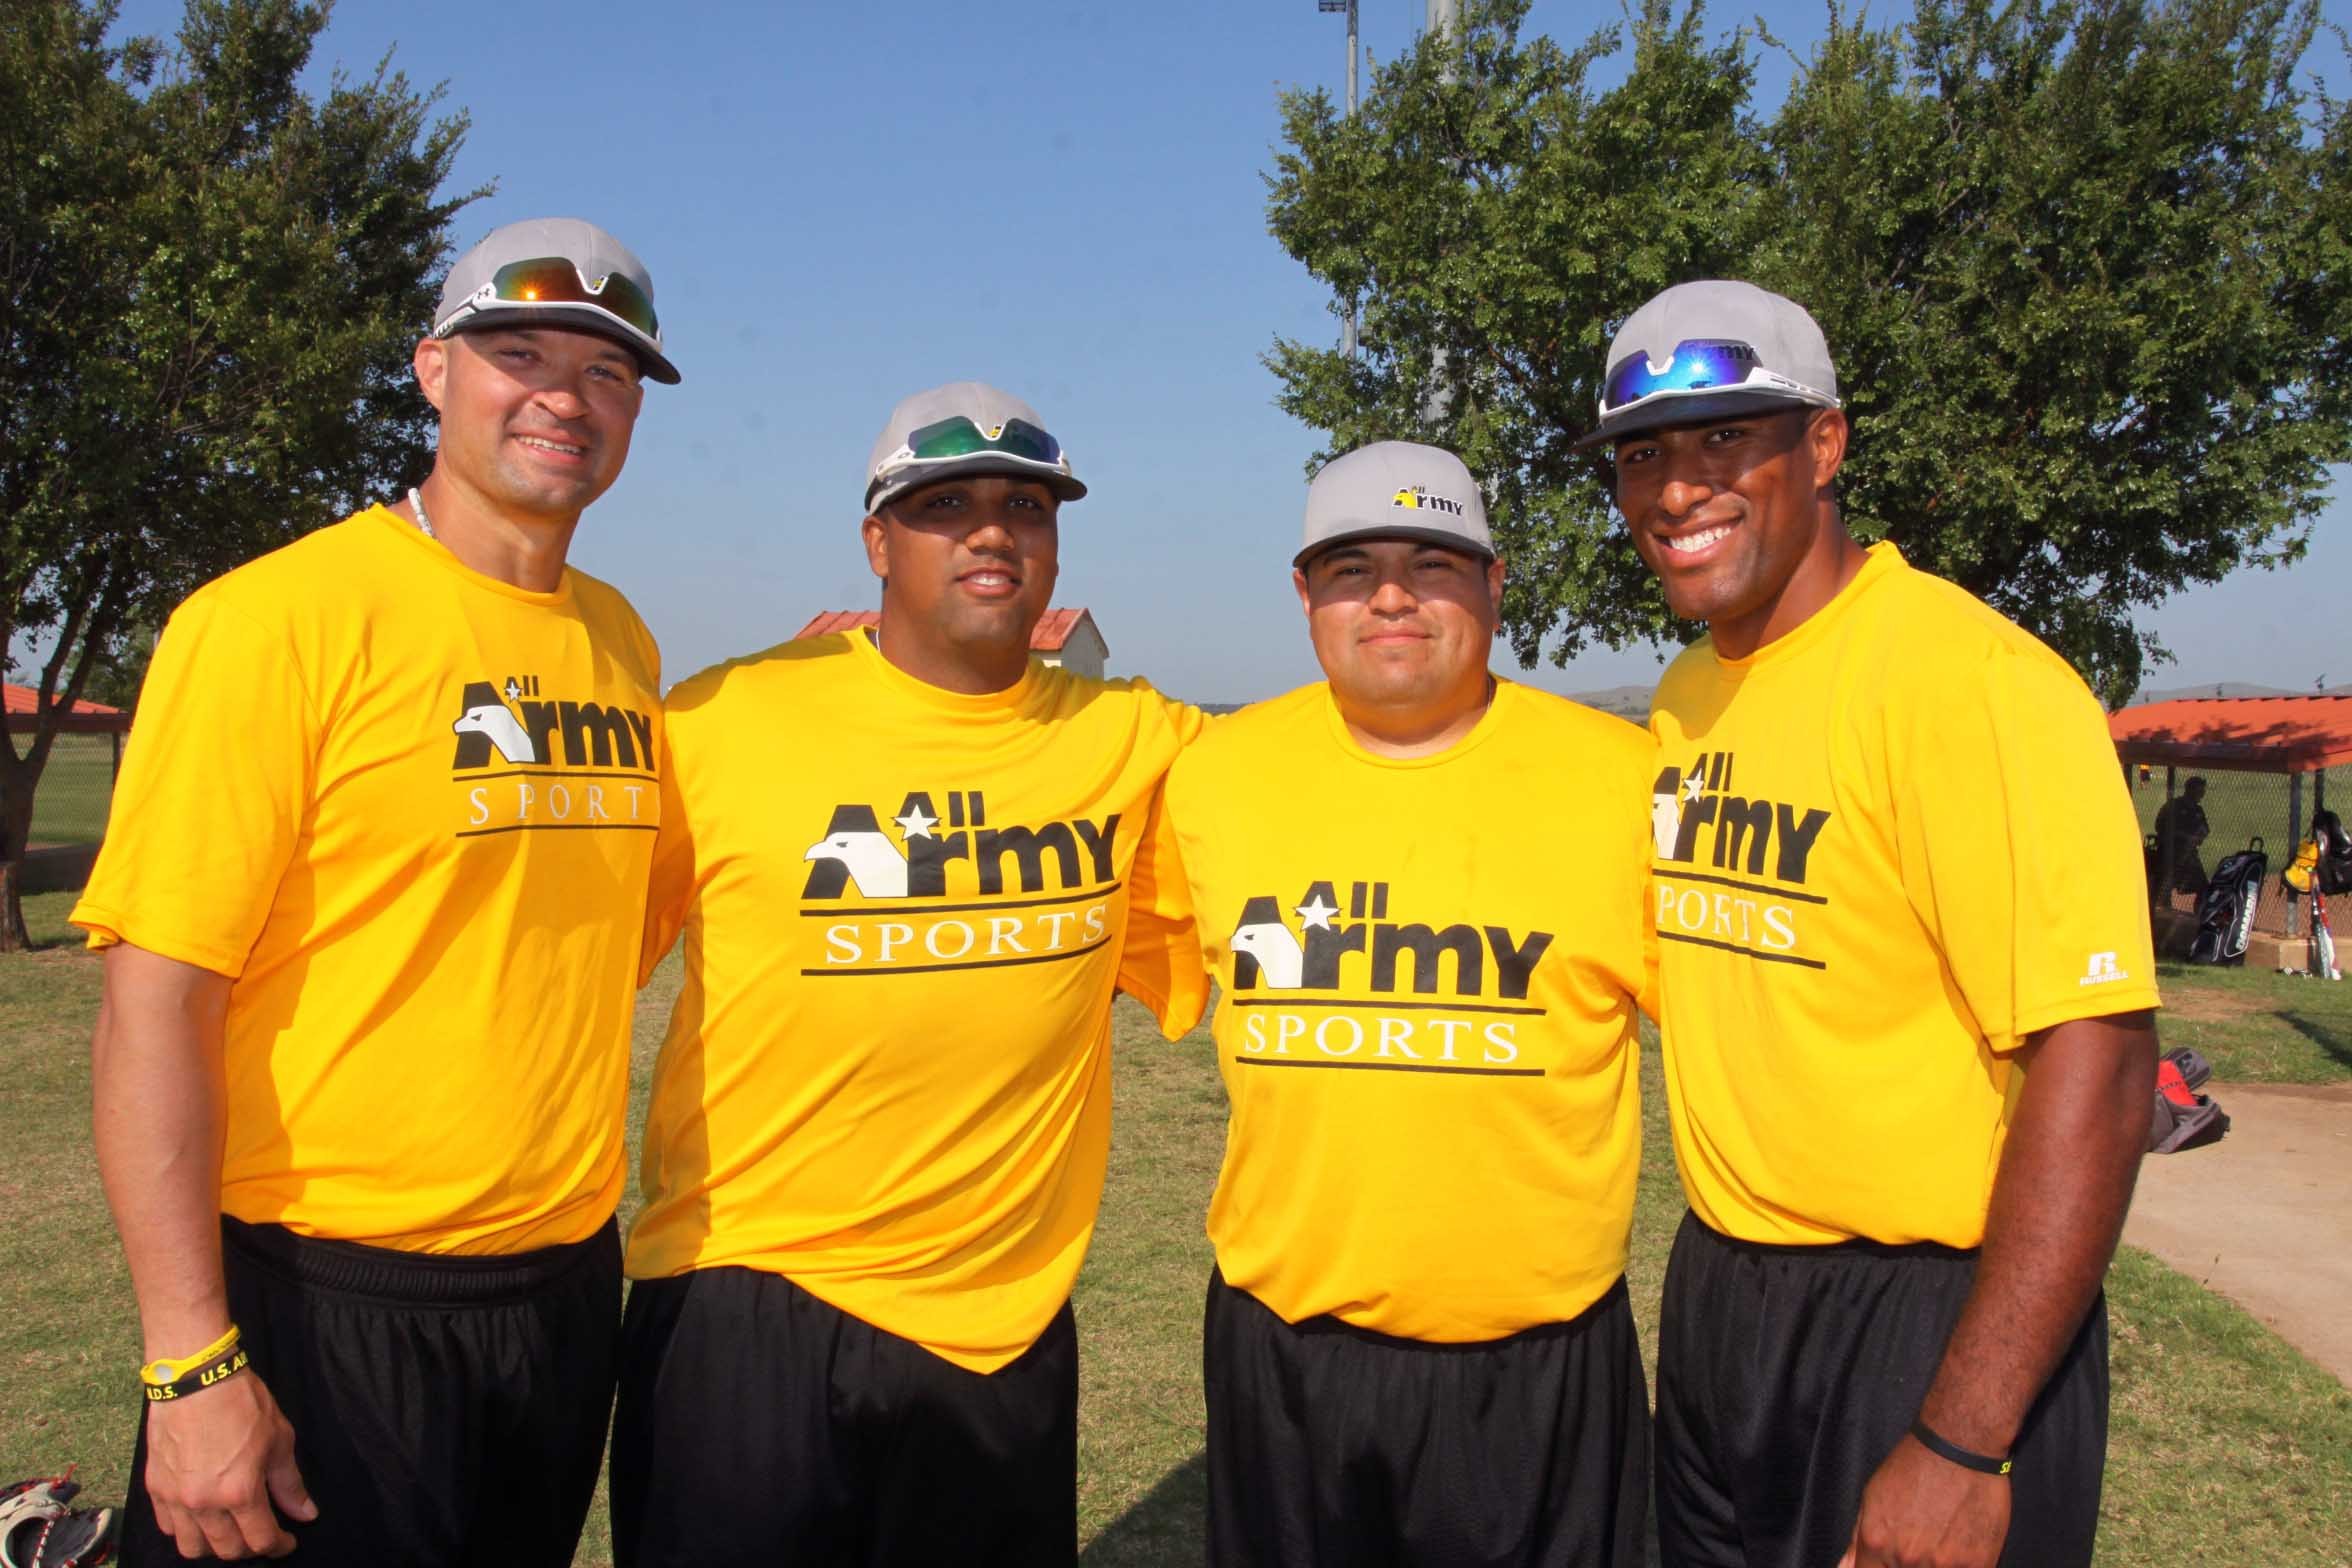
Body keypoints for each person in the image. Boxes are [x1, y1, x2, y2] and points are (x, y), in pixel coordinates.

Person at [76, 216, 678, 1566]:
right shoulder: (272, 622)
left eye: (607, 373)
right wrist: (188, 1363)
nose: (562, 398)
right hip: (324, 1297)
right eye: (517, 353)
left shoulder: (621, 640)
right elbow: (155, 1005)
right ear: (432, 370)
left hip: (562, 1290)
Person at [1589, 279, 2161, 1568]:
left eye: (1726, 437)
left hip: (1926, 1313)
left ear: (1827, 445)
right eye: (1643, 455)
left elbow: (2103, 1062)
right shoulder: (1688, 692)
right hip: (1727, 1291)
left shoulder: (1971, 681)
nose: (1677, 488)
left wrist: (1963, 1439)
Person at [609, 382, 1202, 1567]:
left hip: (998, 1322)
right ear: (877, 539)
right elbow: (562, 952)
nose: (992, 530)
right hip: (748, 1295)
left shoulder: (1141, 740)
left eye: (1024, 504)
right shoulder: (721, 719)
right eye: (944, 504)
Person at [1154, 441, 1656, 1566]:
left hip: (1539, 1358)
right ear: (1304, 593)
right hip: (1285, 1349)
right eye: (1350, 567)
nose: (1390, 593)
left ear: (1495, 581)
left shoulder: (1626, 780)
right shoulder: (1213, 776)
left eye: (1432, 560)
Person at [2151, 776, 2211, 894]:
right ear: (2190, 790)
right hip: (2170, 851)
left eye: (2203, 791)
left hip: (2189, 852)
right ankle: (2159, 903)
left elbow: (2205, 828)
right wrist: (2186, 836)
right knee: (2161, 884)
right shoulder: (2174, 805)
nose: (2202, 794)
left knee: (2203, 886)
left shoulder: (2198, 809)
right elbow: (2160, 826)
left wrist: (2200, 835)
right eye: (2200, 790)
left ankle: (2201, 909)